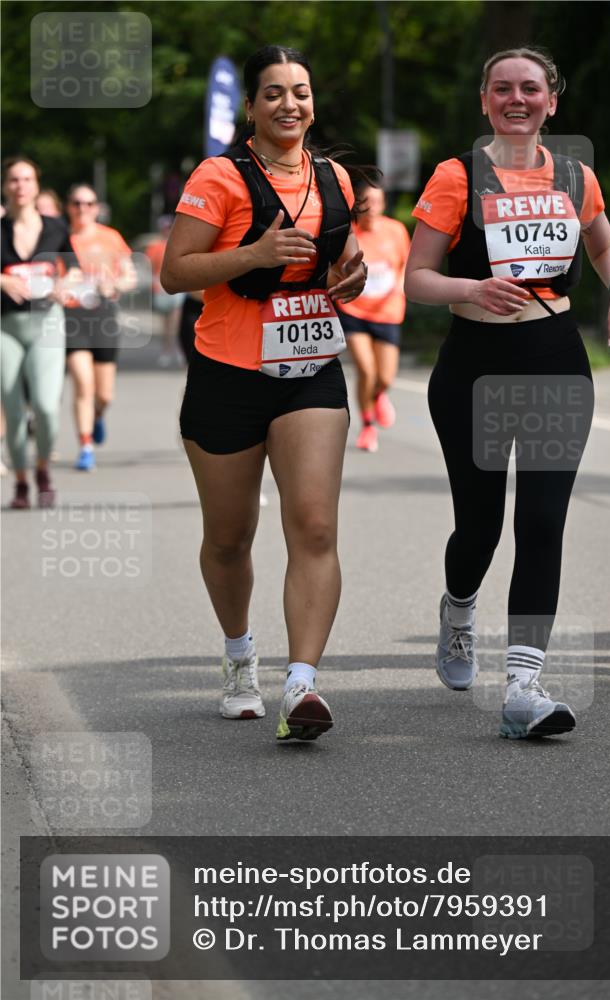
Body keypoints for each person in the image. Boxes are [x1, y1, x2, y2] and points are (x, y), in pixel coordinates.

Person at [405, 47, 610, 739]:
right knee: (479, 526)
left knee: (541, 522)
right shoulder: (457, 176)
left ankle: (522, 686)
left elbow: (603, 245)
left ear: (551, 101)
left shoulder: (574, 175)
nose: (517, 99)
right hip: (474, 368)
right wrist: (470, 287)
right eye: (502, 88)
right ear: (484, 101)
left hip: (554, 360)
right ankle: (458, 609)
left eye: (530, 88)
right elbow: (416, 277)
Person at [161, 44, 366, 742]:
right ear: (250, 107)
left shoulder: (333, 177)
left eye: (300, 91)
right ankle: (239, 655)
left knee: (315, 526)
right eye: (273, 93)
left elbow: (339, 260)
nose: (289, 104)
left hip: (310, 368)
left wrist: (352, 275)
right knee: (229, 539)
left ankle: (301, 684)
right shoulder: (219, 176)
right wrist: (253, 254)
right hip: (228, 371)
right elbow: (174, 272)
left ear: (313, 103)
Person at [1, 157, 78, 508]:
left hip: (46, 322)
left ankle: (43, 468)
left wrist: (64, 283)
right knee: (13, 409)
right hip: (6, 326)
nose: (20, 186)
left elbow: (74, 268)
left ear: (36, 185)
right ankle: (20, 481)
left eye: (27, 179)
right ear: (5, 186)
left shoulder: (55, 226)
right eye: (14, 180)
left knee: (46, 407)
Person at [64, 183, 136, 471]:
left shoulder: (110, 237)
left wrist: (113, 284)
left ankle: (97, 416)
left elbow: (130, 277)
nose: (83, 208)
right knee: (83, 384)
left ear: (97, 208)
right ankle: (85, 447)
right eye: (77, 203)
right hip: (72, 318)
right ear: (68, 207)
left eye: (89, 203)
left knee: (104, 394)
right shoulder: (61, 238)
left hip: (104, 317)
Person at [337, 182, 410, 452]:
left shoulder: (396, 230)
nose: (372, 208)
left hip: (388, 311)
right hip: (355, 311)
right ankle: (368, 425)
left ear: (384, 204)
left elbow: (406, 264)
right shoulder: (349, 233)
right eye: (366, 202)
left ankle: (379, 395)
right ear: (358, 205)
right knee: (366, 370)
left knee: (386, 377)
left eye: (377, 202)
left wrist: (400, 286)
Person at [144, 215, 186, 367]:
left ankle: (177, 350)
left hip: (177, 288)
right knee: (165, 324)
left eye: (170, 227)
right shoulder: (155, 246)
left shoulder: (179, 244)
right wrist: (155, 283)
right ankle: (167, 351)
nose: (168, 230)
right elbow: (149, 268)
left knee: (175, 323)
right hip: (161, 289)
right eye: (166, 228)